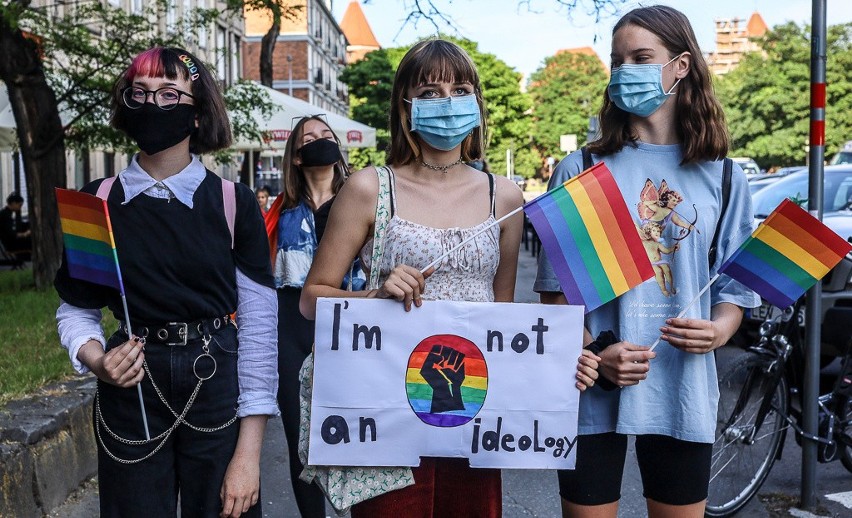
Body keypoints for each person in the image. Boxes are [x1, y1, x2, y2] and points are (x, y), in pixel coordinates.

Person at [300, 39, 598, 517]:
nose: (447, 102)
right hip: (386, 408)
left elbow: (499, 318)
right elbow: (311, 299)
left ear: (477, 104)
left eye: (460, 89)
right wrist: (374, 295)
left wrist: (560, 362)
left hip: (474, 408)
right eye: (431, 91)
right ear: (406, 106)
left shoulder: (504, 197)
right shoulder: (368, 188)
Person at [535, 6, 760, 518]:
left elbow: (734, 288)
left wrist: (721, 331)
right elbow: (554, 296)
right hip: (591, 389)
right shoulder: (581, 169)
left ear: (680, 66)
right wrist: (597, 351)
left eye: (641, 57)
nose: (624, 71)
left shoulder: (725, 176)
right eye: (617, 61)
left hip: (683, 386)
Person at [53, 47, 278, 518]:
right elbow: (77, 307)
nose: (153, 104)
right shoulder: (96, 201)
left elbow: (259, 326)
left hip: (216, 380)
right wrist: (97, 361)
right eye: (141, 92)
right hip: (130, 389)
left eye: (170, 93)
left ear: (197, 113)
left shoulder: (233, 203)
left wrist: (249, 454)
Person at [262, 115, 361, 517]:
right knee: (300, 440)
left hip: (353, 327)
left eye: (327, 136)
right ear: (297, 157)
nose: (320, 141)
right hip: (292, 329)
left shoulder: (363, 200)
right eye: (309, 138)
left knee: (358, 435)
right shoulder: (278, 210)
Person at [0, 192, 32, 260]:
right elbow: (11, 234)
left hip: (9, 243)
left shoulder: (5, 213)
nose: (20, 208)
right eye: (19, 205)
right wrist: (25, 234)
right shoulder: (5, 215)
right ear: (14, 203)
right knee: (32, 242)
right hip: (10, 245)